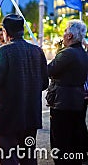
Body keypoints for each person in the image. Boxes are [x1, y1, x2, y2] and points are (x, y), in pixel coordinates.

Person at [0, 14, 48, 165]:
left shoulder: (3, 51)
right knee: (29, 158)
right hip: (30, 116)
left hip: (7, 118)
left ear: (6, 32)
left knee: (8, 158)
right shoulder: (37, 51)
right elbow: (44, 83)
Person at [46, 19, 88, 164]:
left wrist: (59, 52)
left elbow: (49, 70)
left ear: (70, 35)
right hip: (77, 101)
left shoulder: (68, 53)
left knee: (61, 142)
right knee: (74, 139)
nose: (63, 34)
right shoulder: (82, 52)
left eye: (65, 31)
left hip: (63, 102)